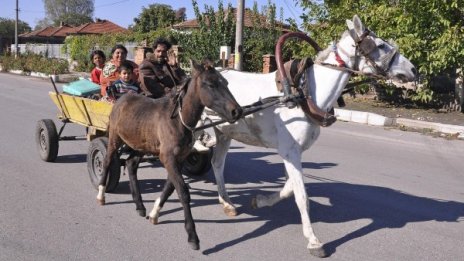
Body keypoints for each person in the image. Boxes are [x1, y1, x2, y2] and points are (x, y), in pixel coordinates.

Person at [139, 38, 215, 149]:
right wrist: (174, 93)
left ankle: (197, 136)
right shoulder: (146, 65)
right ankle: (196, 137)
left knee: (193, 108)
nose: (161, 54)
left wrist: (175, 67)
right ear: (154, 50)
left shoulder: (168, 63)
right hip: (154, 100)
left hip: (172, 97)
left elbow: (184, 79)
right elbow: (152, 87)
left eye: (164, 52)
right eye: (158, 51)